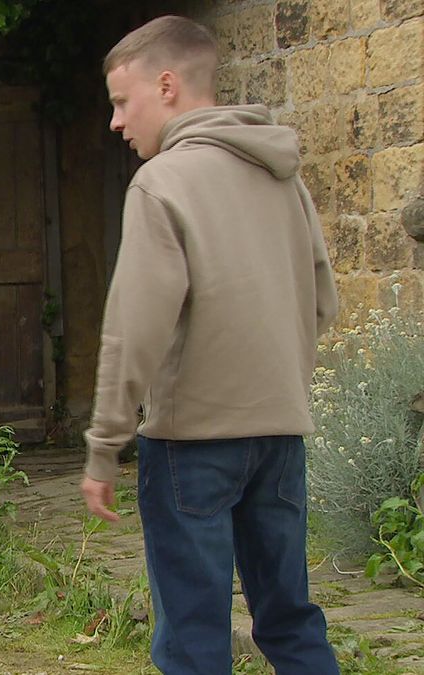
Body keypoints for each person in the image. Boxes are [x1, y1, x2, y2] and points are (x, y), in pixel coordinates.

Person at [80, 15, 340, 674]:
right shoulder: (285, 176)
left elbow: (133, 327)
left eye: (120, 100)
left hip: (191, 444)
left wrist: (104, 444)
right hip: (280, 438)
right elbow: (322, 302)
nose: (116, 121)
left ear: (166, 85)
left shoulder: (162, 182)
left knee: (194, 636)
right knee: (289, 619)